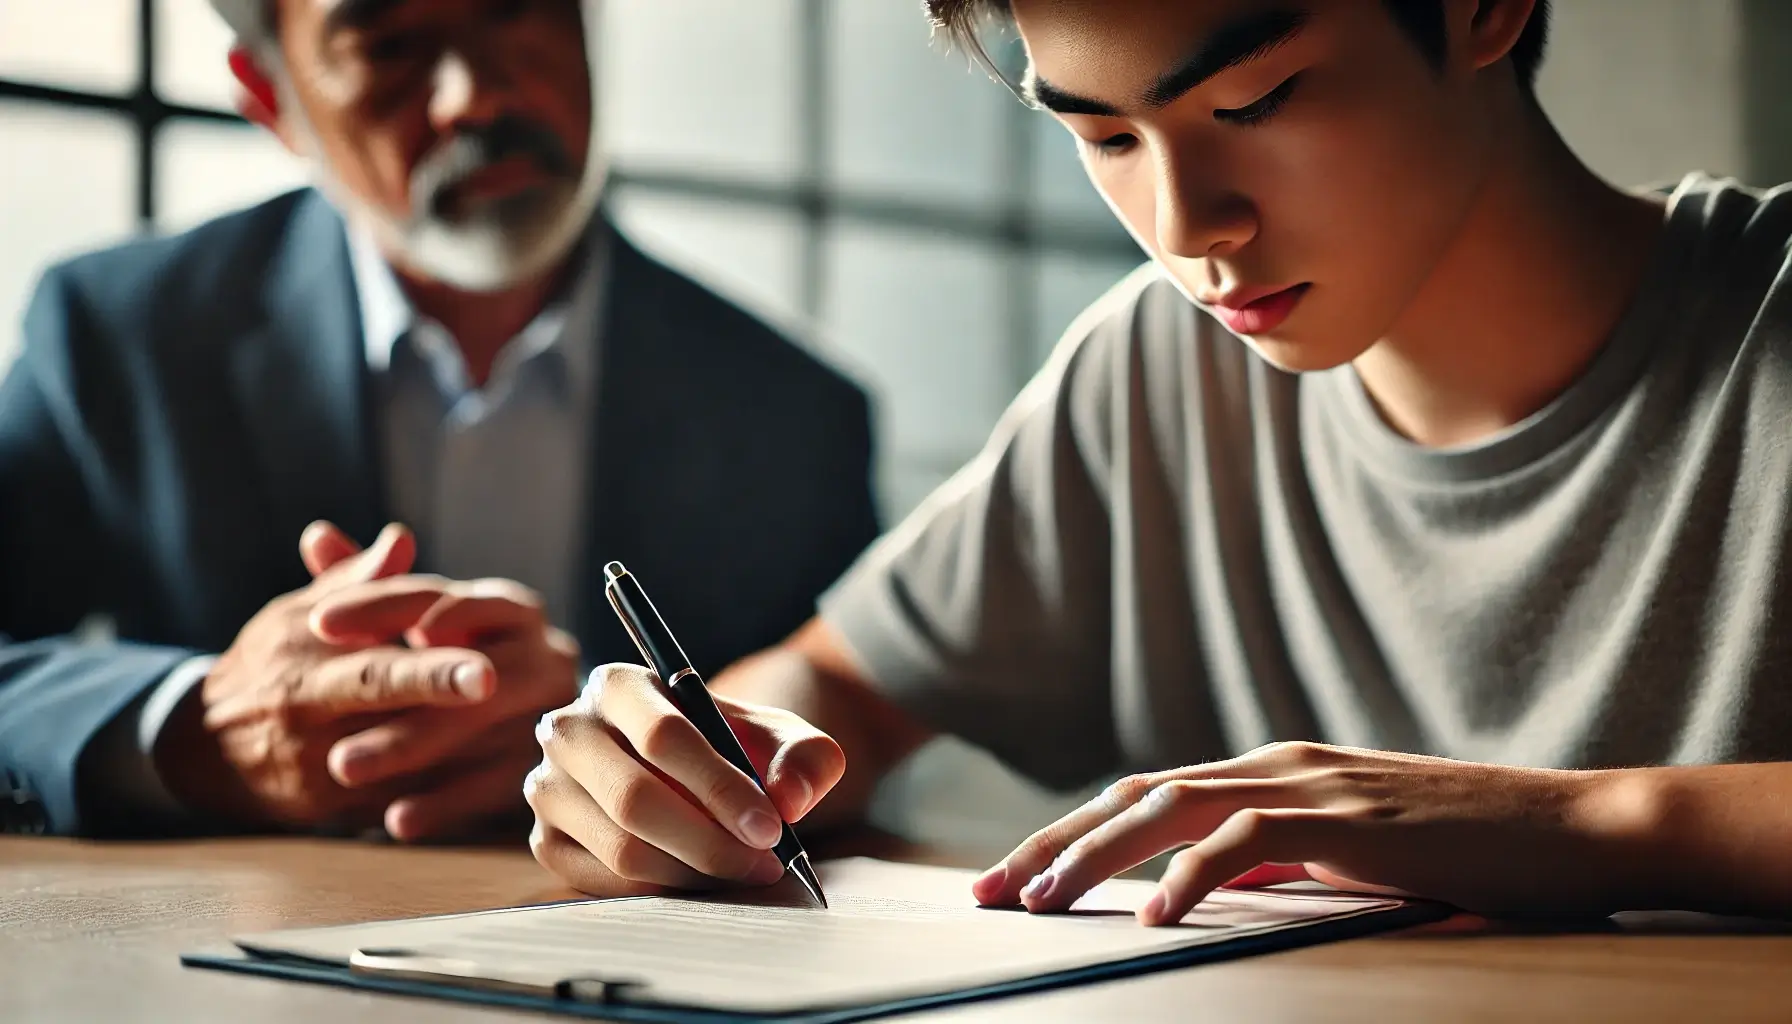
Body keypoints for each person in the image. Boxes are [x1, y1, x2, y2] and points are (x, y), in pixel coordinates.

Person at [523, 0, 1792, 921]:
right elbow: (835, 681)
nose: (1188, 231)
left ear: (1480, 11)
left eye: (1256, 101)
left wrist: (1578, 822)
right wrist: (692, 769)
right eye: (1108, 139)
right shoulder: (1154, 370)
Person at [0, 0, 877, 841]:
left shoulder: (796, 415)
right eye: (388, 45)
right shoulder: (117, 334)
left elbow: (850, 735)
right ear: (273, 98)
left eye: (514, 8)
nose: (477, 96)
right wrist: (196, 730)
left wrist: (643, 766)